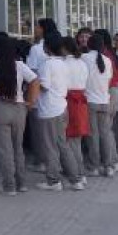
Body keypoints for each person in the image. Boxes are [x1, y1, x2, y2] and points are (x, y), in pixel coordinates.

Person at [0, 35, 39, 196]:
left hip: (0, 108)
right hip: (19, 109)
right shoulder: (19, 65)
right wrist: (30, 102)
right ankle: (22, 183)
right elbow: (34, 81)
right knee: (18, 147)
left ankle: (9, 185)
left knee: (5, 150)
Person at [35, 33, 84, 191]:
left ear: (46, 47)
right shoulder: (63, 63)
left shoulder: (47, 64)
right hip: (62, 107)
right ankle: (75, 180)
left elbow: (44, 86)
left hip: (50, 110)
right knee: (62, 145)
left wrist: (32, 84)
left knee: (51, 147)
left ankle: (53, 181)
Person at [25, 18, 57, 171]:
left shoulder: (37, 49)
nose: (35, 29)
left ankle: (42, 161)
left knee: (40, 132)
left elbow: (30, 74)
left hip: (40, 94)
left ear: (43, 29)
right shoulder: (59, 46)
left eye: (37, 26)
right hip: (58, 96)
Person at [84, 33, 116, 176]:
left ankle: (94, 166)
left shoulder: (84, 59)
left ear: (88, 45)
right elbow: (108, 81)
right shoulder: (107, 60)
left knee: (93, 135)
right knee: (105, 135)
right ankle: (108, 166)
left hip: (90, 101)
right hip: (104, 101)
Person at [61, 36, 89, 181]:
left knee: (68, 141)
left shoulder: (64, 63)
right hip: (81, 102)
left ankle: (76, 173)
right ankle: (79, 172)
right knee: (76, 140)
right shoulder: (82, 63)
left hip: (68, 101)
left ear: (64, 48)